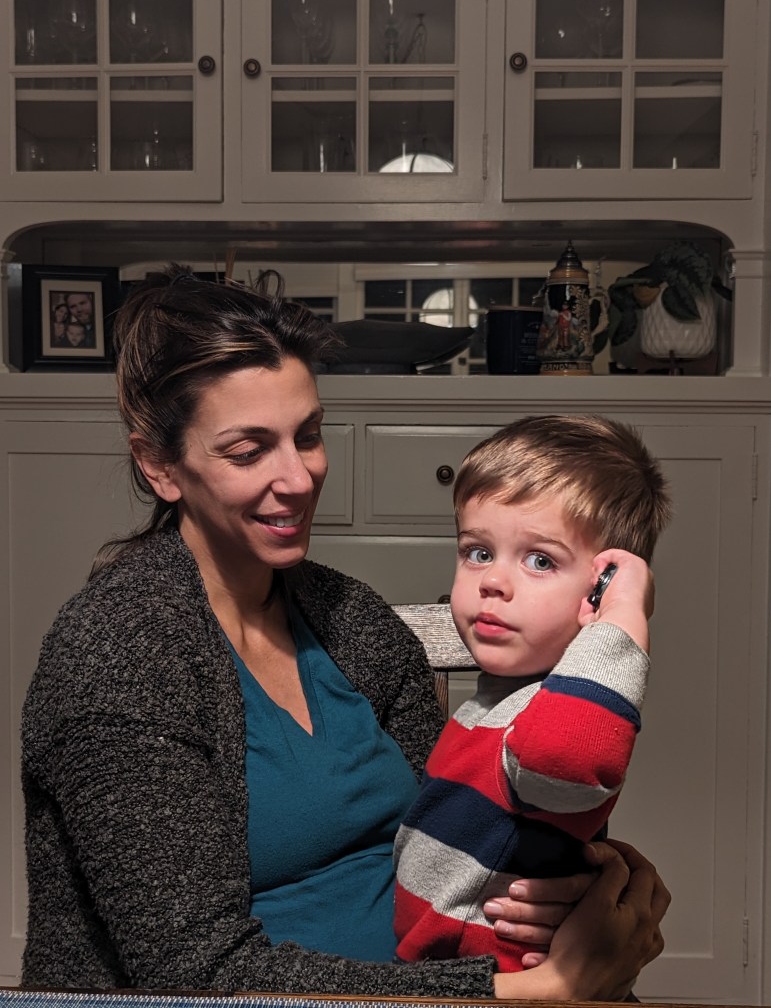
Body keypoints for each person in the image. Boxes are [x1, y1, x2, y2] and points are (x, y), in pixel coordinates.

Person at [21, 268, 669, 999]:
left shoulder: (349, 616)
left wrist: (595, 880)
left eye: (308, 435)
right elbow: (197, 975)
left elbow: (463, 821)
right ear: (159, 466)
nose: (299, 478)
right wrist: (533, 992)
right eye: (248, 450)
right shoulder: (117, 652)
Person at [394, 415, 672, 974]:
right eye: (478, 552)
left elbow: (568, 759)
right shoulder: (498, 699)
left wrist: (620, 619)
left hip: (495, 976)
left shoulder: (555, 711)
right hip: (441, 967)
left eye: (540, 560)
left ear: (598, 590)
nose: (492, 581)